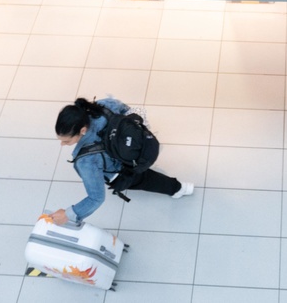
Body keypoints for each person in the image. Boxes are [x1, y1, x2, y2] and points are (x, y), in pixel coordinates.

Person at [46, 96, 194, 225]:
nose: (62, 144)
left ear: (83, 130)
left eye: (67, 141)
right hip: (144, 141)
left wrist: (69, 214)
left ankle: (180, 188)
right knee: (142, 166)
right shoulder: (104, 106)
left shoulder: (85, 161)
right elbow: (127, 112)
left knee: (146, 180)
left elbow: (96, 198)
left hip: (123, 171)